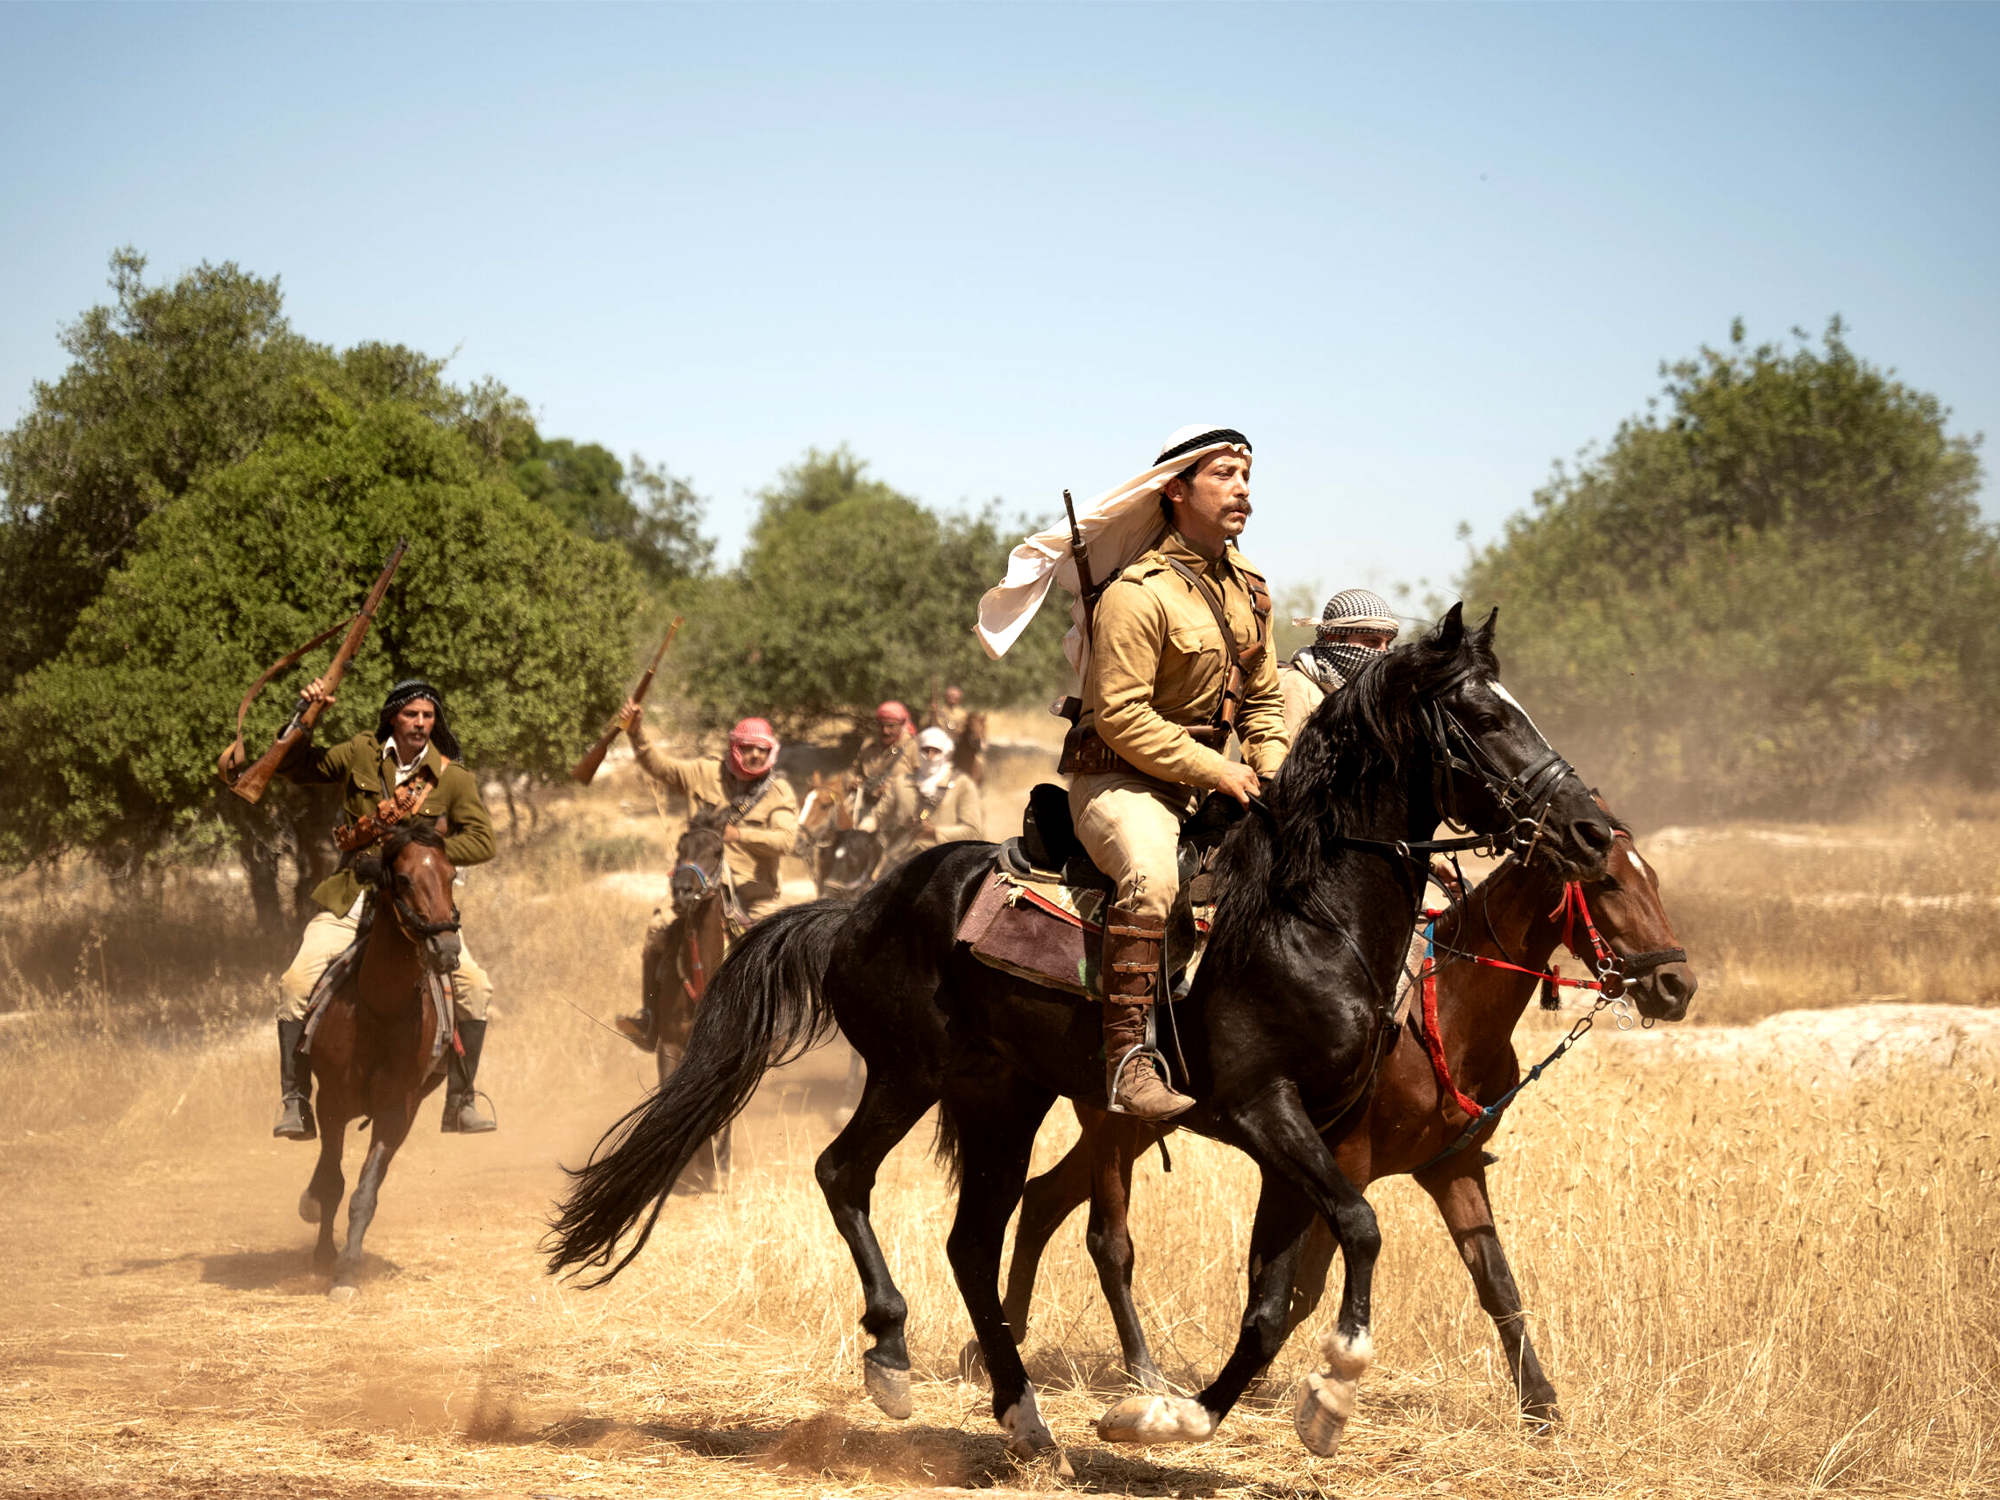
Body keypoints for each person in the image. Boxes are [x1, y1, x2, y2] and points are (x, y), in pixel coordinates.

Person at [1062, 427, 1286, 1121]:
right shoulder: (1138, 591)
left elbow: (1267, 701)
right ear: (1176, 489)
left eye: (1246, 474)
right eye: (1224, 473)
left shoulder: (1251, 589)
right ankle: (1129, 1061)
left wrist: (1273, 777)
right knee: (1154, 877)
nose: (1242, 487)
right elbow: (1120, 716)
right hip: (1121, 783)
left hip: (1213, 781)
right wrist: (1216, 771)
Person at [272, 679, 499, 1140]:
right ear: (393, 716)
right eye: (412, 714)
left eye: (428, 716)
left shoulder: (451, 778)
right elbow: (296, 767)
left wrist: (423, 855)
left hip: (418, 905)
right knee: (295, 982)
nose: (420, 723)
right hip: (354, 892)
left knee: (475, 986)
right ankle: (295, 1100)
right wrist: (306, 714)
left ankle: (461, 1100)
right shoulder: (360, 752)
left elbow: (482, 840)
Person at [616, 705, 801, 1048]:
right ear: (734, 748)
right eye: (748, 748)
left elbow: (787, 840)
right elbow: (660, 766)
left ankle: (773, 1026)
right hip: (695, 884)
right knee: (658, 929)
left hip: (752, 892)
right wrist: (636, 731)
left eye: (762, 749)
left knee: (777, 946)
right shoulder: (703, 772)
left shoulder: (779, 793)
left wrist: (741, 836)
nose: (756, 754)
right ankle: (649, 1018)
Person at [1278, 587, 1400, 742]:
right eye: (1371, 641)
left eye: (1387, 644)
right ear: (1332, 638)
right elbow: (1281, 761)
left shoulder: (1366, 696)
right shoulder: (1294, 685)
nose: (1382, 653)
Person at [864, 726, 984, 862]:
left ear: (946, 753)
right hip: (900, 861)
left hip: (946, 862)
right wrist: (857, 834)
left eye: (936, 751)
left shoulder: (963, 785)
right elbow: (876, 817)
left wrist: (934, 832)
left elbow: (973, 832)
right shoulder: (901, 783)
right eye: (925, 750)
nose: (930, 756)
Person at [847, 701, 917, 825]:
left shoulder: (913, 747)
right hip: (865, 806)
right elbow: (852, 772)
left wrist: (894, 790)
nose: (885, 731)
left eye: (891, 726)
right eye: (881, 725)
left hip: (896, 814)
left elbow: (923, 780)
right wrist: (852, 781)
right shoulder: (869, 745)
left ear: (901, 725)